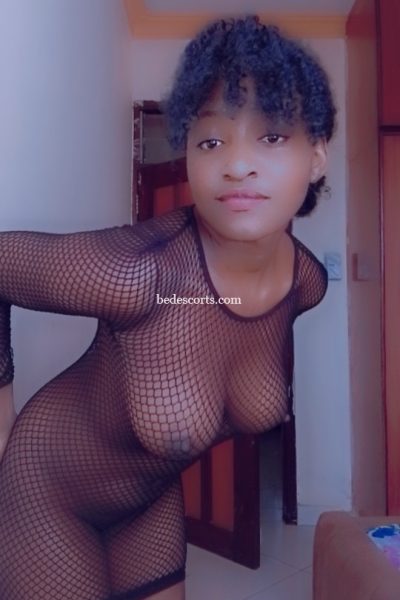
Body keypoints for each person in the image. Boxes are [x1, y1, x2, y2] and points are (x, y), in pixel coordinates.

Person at [0, 14, 335, 600]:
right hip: (50, 492)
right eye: (211, 141)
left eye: (272, 136)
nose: (236, 164)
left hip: (149, 499)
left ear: (317, 157)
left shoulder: (305, 283)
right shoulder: (139, 273)